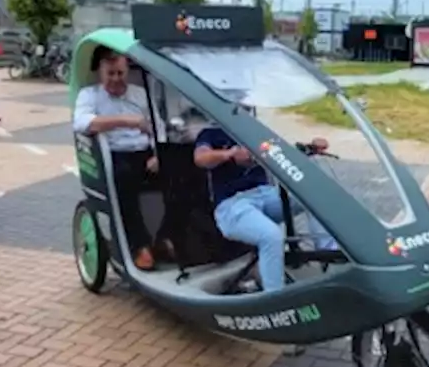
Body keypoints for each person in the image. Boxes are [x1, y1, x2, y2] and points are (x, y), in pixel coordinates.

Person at [194, 117, 338, 295]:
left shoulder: (256, 132)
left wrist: (310, 147)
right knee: (271, 236)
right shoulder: (211, 134)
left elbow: (282, 152)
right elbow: (200, 158)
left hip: (265, 194)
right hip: (233, 204)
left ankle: (329, 256)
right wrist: (229, 154)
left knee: (315, 196)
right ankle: (275, 296)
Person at [72, 52, 177, 271]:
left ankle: (168, 236)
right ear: (100, 73)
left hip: (145, 152)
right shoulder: (90, 95)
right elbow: (82, 123)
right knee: (124, 180)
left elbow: (157, 128)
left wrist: (159, 155)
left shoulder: (140, 94)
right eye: (110, 73)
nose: (116, 79)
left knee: (183, 173)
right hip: (115, 154)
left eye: (120, 73)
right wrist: (126, 121)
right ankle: (140, 246)